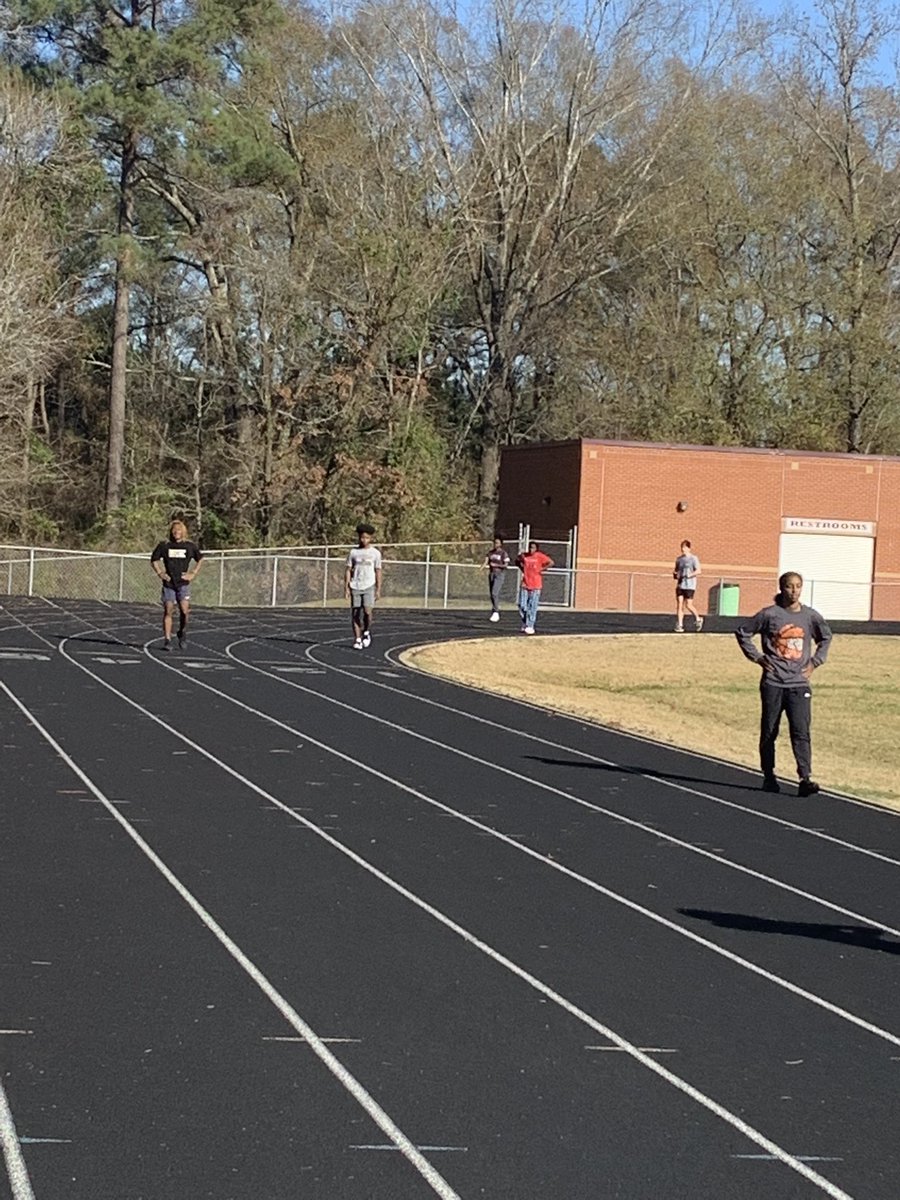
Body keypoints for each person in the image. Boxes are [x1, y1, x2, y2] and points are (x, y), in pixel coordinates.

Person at [735, 571, 832, 796]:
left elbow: (826, 638)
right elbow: (743, 633)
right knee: (770, 730)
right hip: (774, 682)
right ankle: (769, 775)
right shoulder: (769, 615)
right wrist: (758, 658)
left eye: (798, 586)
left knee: (801, 731)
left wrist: (815, 662)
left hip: (799, 683)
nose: (794, 591)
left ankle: (805, 778)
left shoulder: (810, 616)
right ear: (782, 588)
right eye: (789, 586)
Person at [150, 519, 203, 651]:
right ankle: (167, 640)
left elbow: (200, 559)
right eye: (174, 530)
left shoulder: (189, 546)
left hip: (183, 583)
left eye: (179, 530)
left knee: (184, 611)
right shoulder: (164, 545)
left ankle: (182, 632)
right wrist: (160, 573)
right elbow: (154, 559)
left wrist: (193, 573)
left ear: (183, 531)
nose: (176, 532)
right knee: (168, 610)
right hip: (169, 583)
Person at [345, 523, 382, 650]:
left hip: (369, 585)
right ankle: (357, 639)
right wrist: (346, 587)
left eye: (366, 538)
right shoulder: (353, 552)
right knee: (355, 612)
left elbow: (378, 571)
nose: (364, 540)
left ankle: (366, 631)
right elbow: (348, 570)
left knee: (367, 611)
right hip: (355, 585)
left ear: (371, 538)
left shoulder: (375, 553)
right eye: (362, 537)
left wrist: (378, 589)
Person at [515, 541, 554, 634]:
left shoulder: (539, 556)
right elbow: (517, 560)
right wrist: (522, 568)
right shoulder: (524, 556)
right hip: (525, 583)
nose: (531, 549)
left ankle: (530, 625)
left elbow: (551, 562)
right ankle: (525, 621)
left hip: (536, 584)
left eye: (533, 548)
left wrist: (542, 569)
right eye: (530, 547)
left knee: (532, 606)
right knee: (522, 605)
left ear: (536, 549)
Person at [673, 540, 703, 632]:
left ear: (689, 548)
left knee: (688, 605)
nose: (683, 549)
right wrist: (675, 575)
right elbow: (676, 571)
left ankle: (698, 619)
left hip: (690, 585)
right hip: (680, 585)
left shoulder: (693, 558)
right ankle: (680, 625)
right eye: (682, 547)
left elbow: (699, 571)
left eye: (685, 547)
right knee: (680, 604)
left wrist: (690, 575)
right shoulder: (679, 559)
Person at [483, 536, 511, 622]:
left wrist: (497, 565)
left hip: (499, 574)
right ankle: (494, 609)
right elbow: (486, 561)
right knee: (492, 594)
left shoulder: (503, 553)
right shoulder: (490, 553)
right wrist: (481, 567)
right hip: (492, 574)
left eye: (497, 543)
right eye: (494, 543)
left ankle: (496, 611)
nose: (495, 544)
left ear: (501, 544)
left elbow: (506, 565)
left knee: (494, 592)